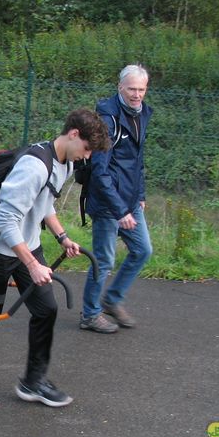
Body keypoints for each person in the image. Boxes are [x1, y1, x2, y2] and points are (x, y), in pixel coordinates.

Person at [0, 109, 111, 408]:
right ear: (73, 135)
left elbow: (45, 205)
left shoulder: (66, 162)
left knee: (46, 309)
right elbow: (5, 219)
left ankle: (33, 381)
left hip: (27, 245)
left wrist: (62, 237)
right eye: (87, 148)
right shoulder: (34, 167)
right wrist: (31, 263)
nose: (87, 156)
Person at [80, 64, 154, 334]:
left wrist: (140, 195)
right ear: (120, 87)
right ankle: (89, 314)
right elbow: (100, 170)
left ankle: (111, 300)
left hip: (130, 200)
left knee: (143, 250)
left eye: (141, 89)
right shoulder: (108, 119)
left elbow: (137, 159)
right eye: (132, 89)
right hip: (108, 203)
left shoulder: (141, 113)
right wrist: (120, 209)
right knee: (104, 259)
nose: (137, 95)